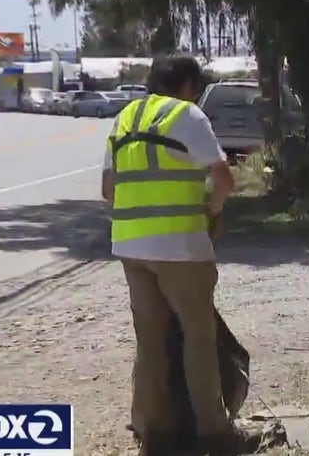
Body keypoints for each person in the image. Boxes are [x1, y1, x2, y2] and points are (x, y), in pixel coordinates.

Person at [101, 55, 250, 455]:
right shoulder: (187, 115)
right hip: (180, 246)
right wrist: (211, 210)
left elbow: (108, 191)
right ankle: (214, 433)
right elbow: (223, 180)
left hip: (130, 247)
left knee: (149, 342)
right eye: (196, 87)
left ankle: (155, 433)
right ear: (187, 86)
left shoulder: (125, 118)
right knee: (198, 338)